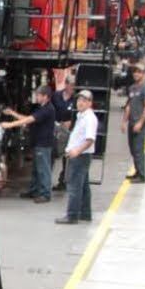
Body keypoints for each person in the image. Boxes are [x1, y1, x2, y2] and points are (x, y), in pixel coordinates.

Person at [0, 85, 56, 203]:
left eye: (39, 95)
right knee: (36, 169)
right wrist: (12, 113)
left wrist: (9, 125)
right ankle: (34, 190)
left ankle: (45, 194)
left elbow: (28, 120)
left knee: (43, 169)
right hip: (38, 143)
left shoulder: (47, 109)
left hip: (43, 143)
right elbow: (28, 118)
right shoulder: (41, 108)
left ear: (45, 97)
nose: (37, 97)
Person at [56, 89, 97, 224]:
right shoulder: (82, 116)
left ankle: (72, 216)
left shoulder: (89, 118)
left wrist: (76, 151)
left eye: (84, 100)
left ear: (90, 103)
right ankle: (85, 213)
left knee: (74, 187)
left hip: (80, 157)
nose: (80, 103)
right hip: (81, 156)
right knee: (83, 186)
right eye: (79, 100)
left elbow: (90, 139)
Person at [122, 64, 145, 183]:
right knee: (132, 148)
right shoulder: (132, 88)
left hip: (139, 123)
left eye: (139, 72)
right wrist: (124, 121)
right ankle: (137, 171)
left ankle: (142, 175)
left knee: (138, 149)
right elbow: (129, 105)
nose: (136, 74)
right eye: (135, 71)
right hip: (131, 122)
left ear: (144, 74)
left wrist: (140, 122)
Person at [50, 75, 76, 192]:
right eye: (71, 85)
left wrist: (71, 121)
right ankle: (46, 180)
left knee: (67, 156)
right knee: (52, 153)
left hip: (68, 130)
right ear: (66, 84)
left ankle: (64, 181)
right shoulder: (56, 96)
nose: (73, 88)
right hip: (55, 127)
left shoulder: (75, 99)